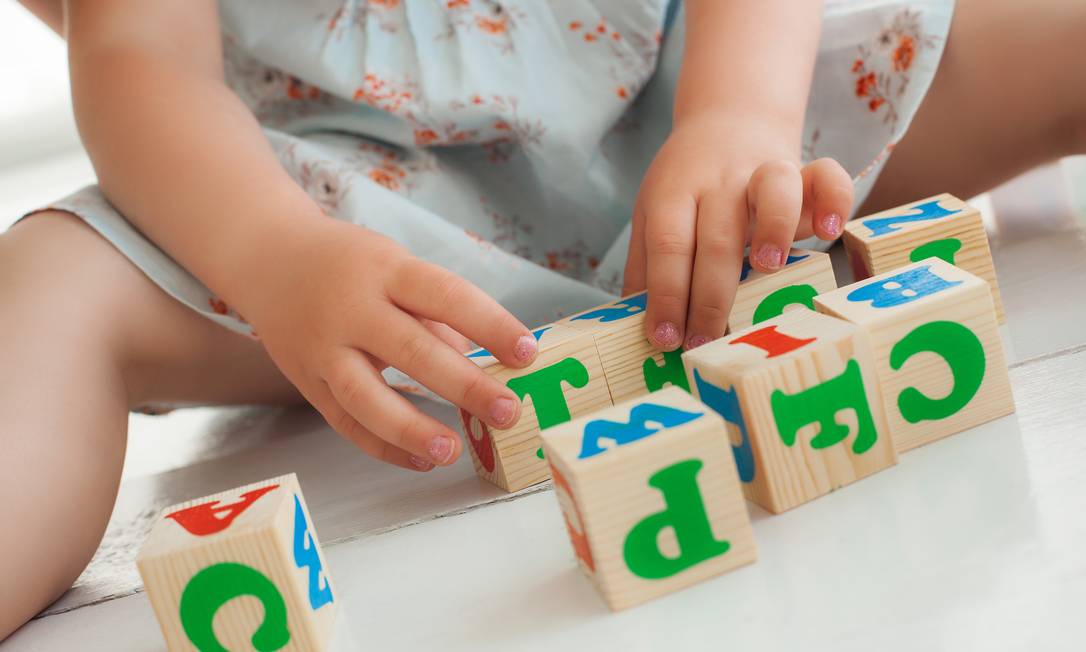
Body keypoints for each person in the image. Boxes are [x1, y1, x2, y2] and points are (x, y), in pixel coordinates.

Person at [2, 0, 1083, 638]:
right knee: (55, 287)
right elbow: (136, 57)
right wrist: (274, 257)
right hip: (331, 205)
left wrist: (740, 110)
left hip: (709, 84)